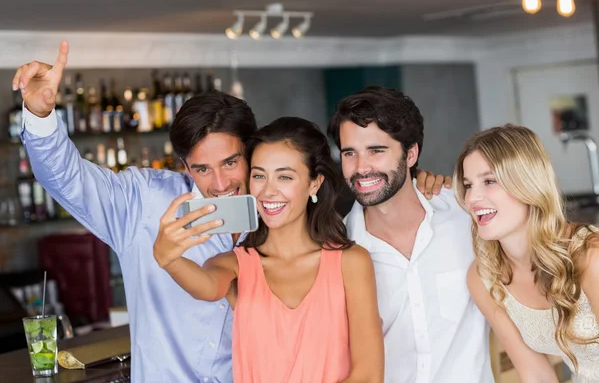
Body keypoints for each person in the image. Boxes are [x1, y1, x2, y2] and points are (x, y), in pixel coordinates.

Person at [13, 41, 446, 382]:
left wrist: (422, 182)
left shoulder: (287, 217)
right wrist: (39, 113)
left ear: (251, 151)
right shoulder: (143, 204)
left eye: (231, 164)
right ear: (183, 166)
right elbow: (67, 179)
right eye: (201, 168)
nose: (219, 184)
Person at [154, 116, 384, 382]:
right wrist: (167, 259)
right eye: (259, 176)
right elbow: (207, 287)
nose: (268, 191)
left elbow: (368, 375)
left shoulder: (351, 263)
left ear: (314, 183)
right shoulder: (234, 265)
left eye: (284, 176)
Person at [328, 86, 494, 383]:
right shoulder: (335, 251)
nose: (361, 168)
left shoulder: (466, 215)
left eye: (376, 151)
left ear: (411, 153)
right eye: (350, 153)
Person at [455, 124, 599, 383]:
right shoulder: (483, 278)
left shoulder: (591, 255)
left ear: (527, 184)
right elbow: (535, 374)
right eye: (468, 185)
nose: (473, 198)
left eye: (489, 181)